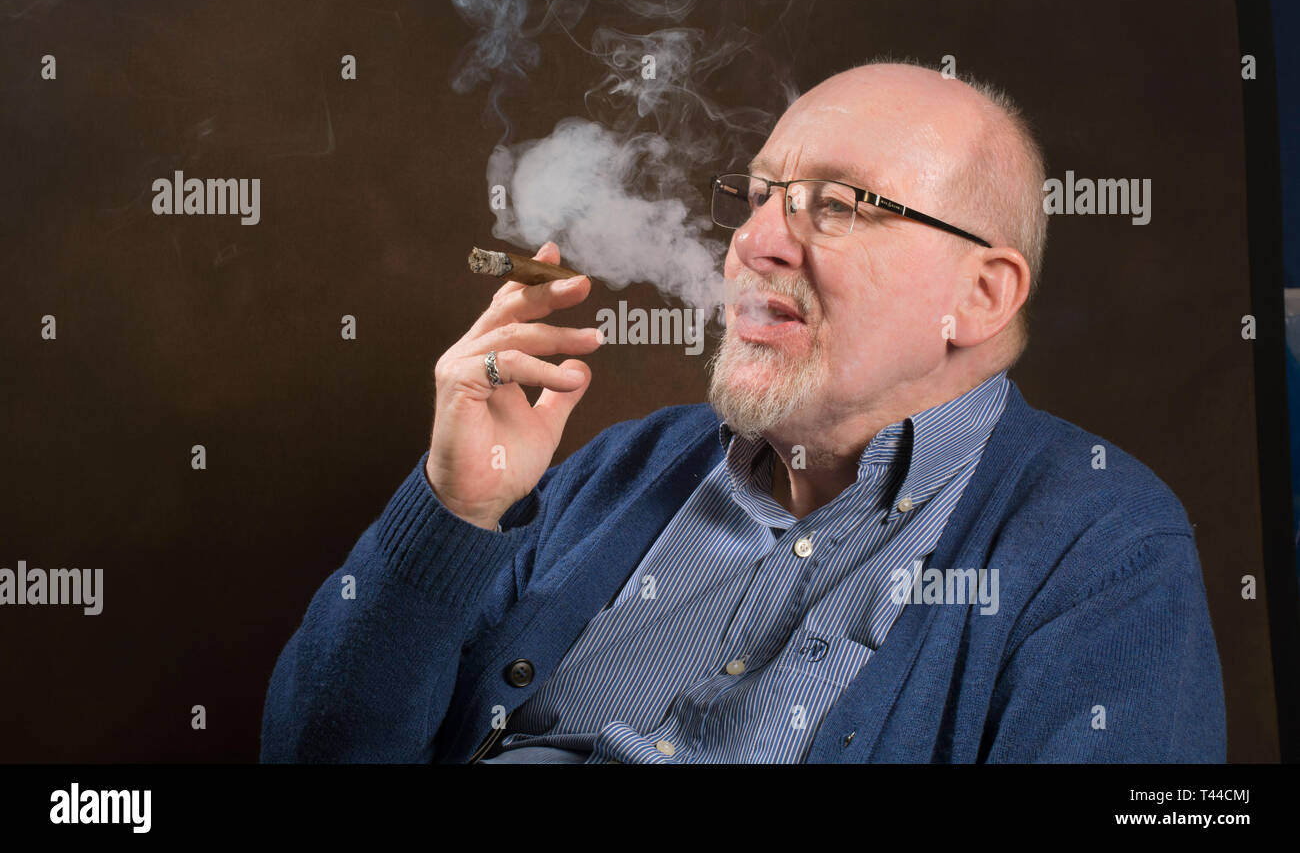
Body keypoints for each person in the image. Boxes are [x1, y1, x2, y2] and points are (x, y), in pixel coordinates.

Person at [261, 61, 1226, 763]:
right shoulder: (623, 469)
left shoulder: (1104, 545)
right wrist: (453, 511)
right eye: (759, 197)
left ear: (978, 297)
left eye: (838, 205)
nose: (756, 242)